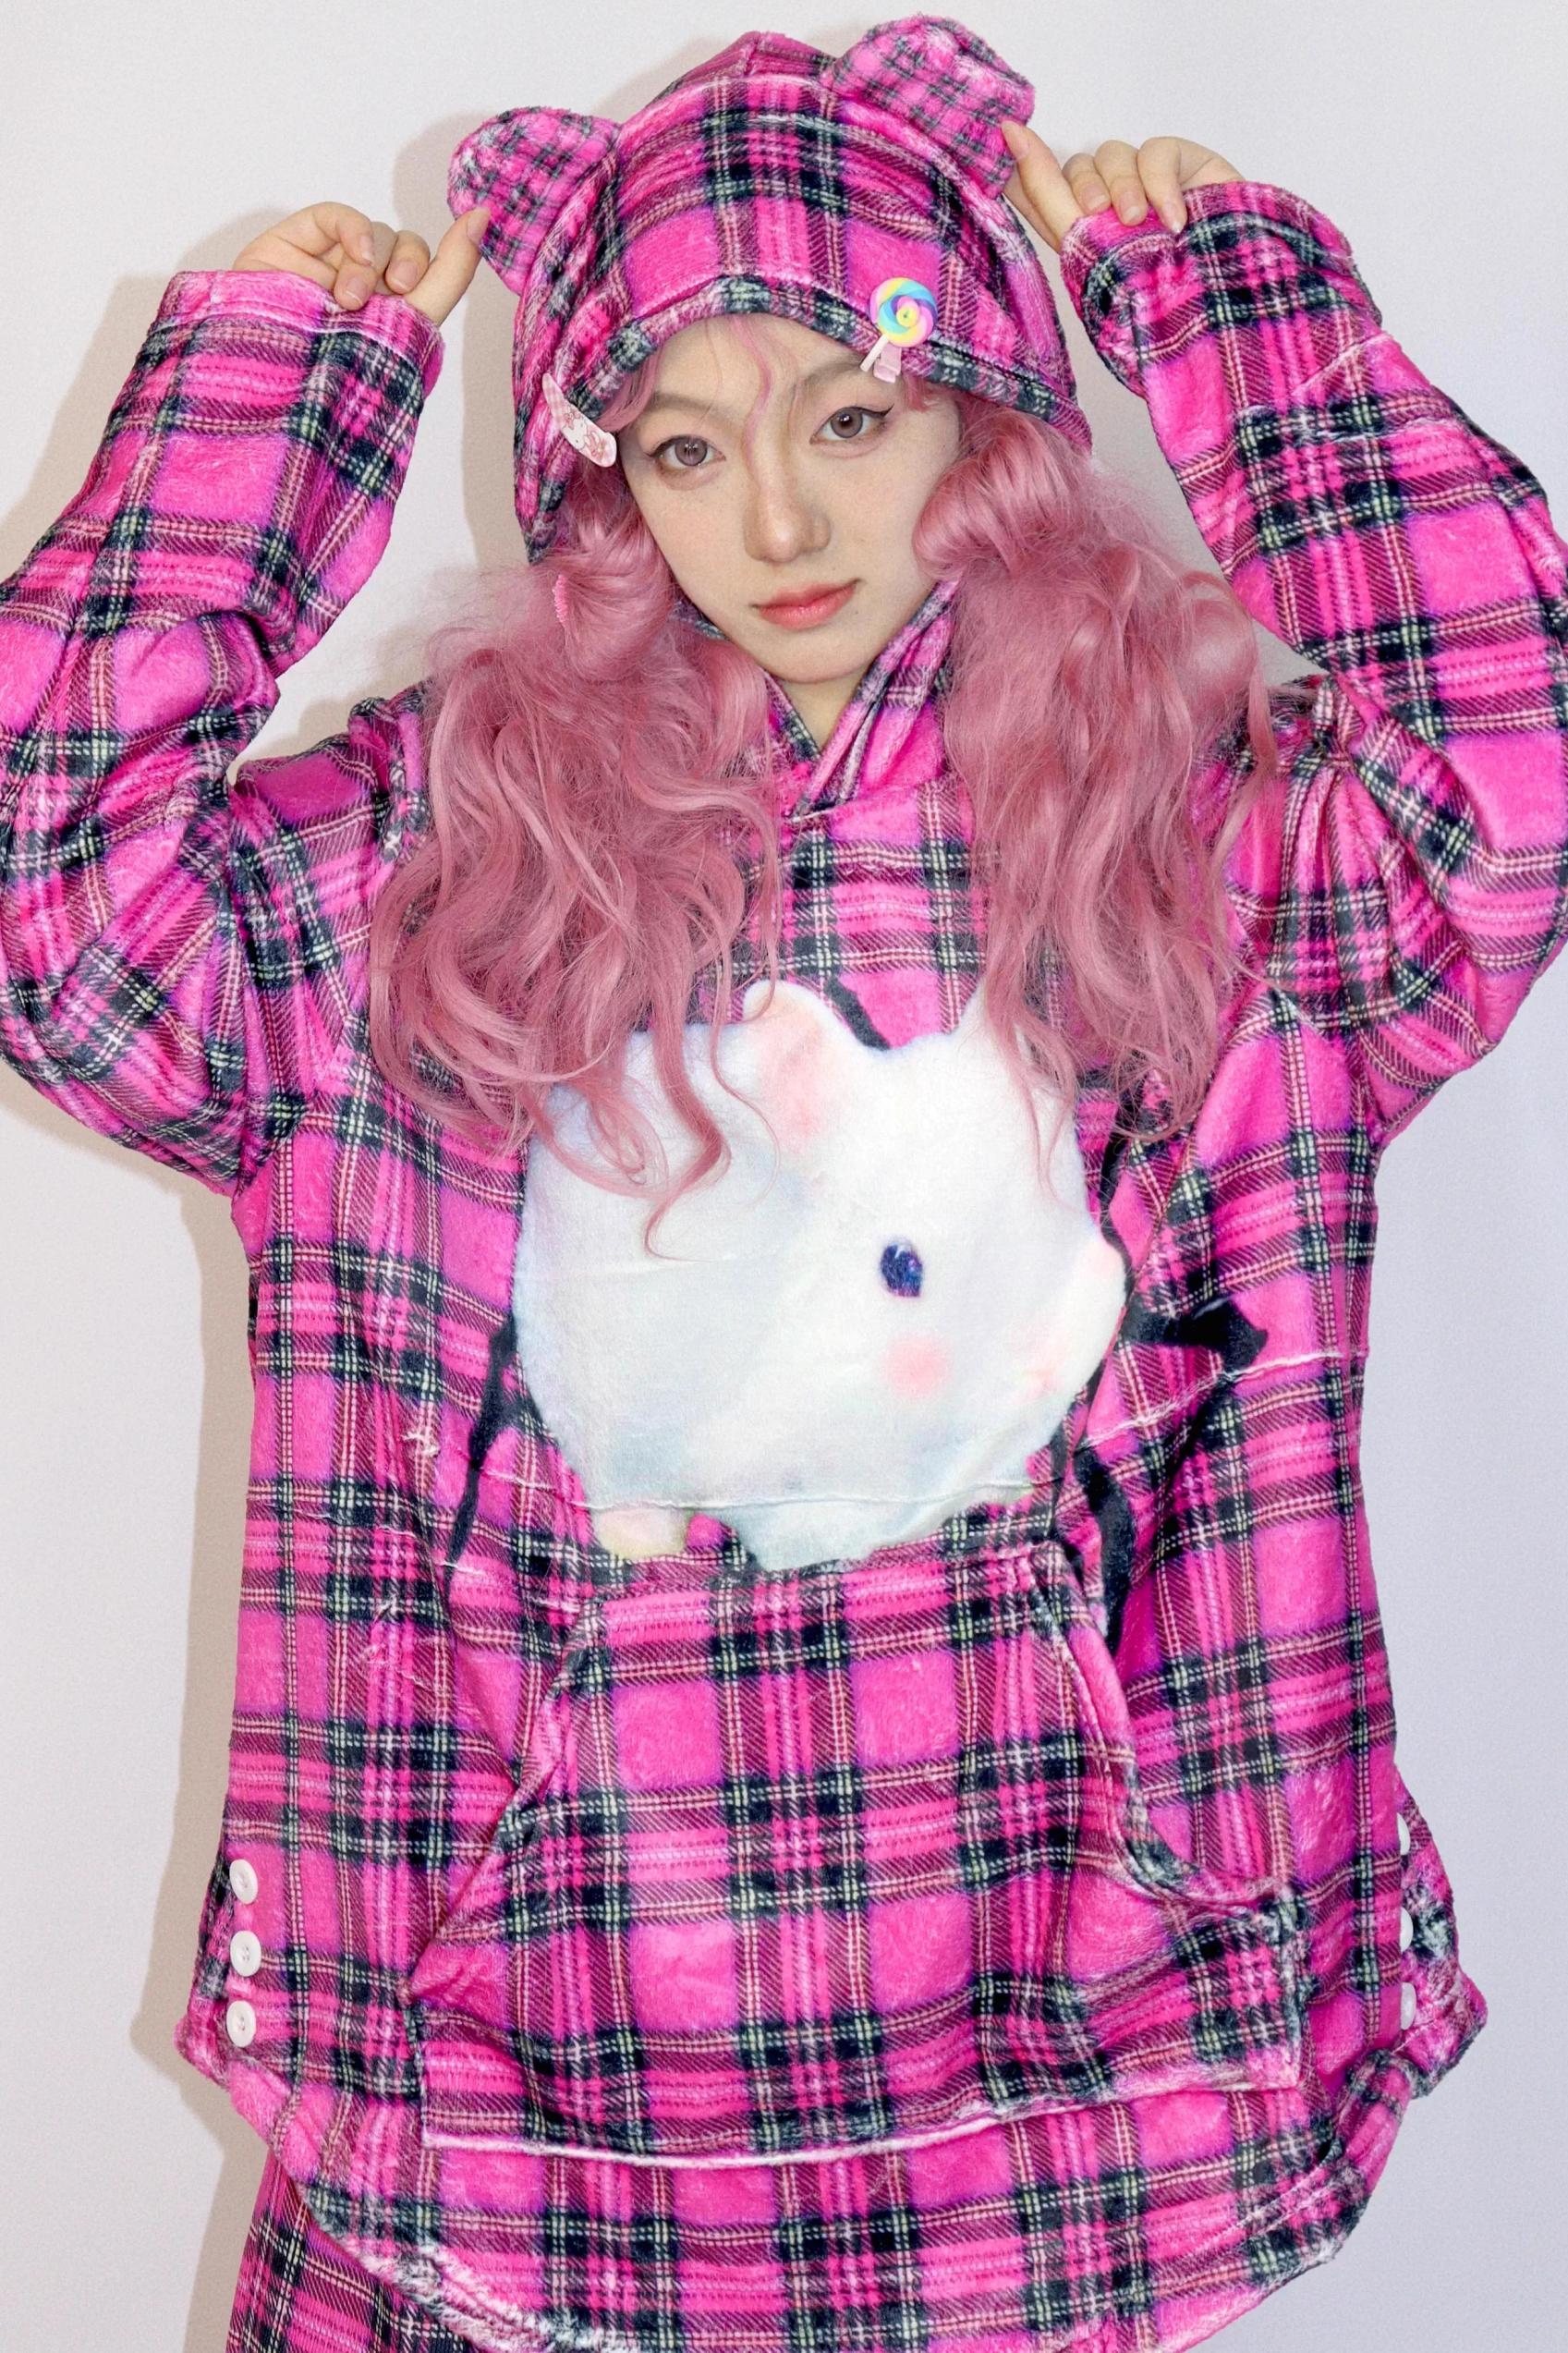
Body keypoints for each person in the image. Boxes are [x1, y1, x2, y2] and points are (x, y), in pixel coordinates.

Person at [2, 15, 1562, 2353]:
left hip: (1065, 2076)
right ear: (601, 471)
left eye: (850, 414)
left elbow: (1506, 776)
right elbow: (60, 926)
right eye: (686, 443)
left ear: (981, 414)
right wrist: (252, 427)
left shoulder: (1195, 831)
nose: (779, 525)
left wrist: (1248, 330)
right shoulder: (441, 851)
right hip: (512, 2104)